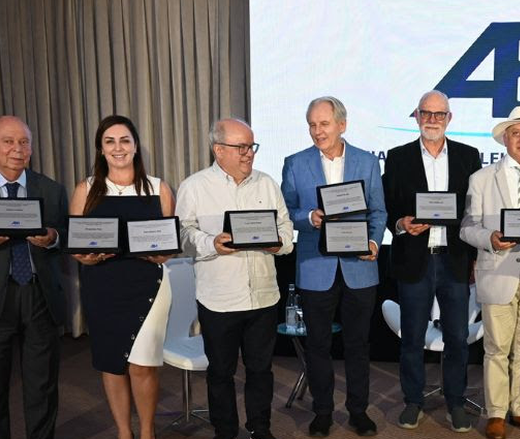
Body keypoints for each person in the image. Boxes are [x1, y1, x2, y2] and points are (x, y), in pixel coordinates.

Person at [176, 118, 294, 439]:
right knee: (220, 373)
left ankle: (260, 428)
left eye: (251, 146)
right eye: (241, 147)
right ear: (219, 150)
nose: (249, 153)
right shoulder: (194, 186)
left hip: (263, 296)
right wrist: (211, 243)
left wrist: (279, 243)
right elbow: (183, 235)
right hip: (219, 299)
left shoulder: (267, 183)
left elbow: (285, 228)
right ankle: (225, 431)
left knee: (261, 370)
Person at [281, 96, 387, 437]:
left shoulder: (367, 162)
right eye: (312, 125)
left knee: (358, 345)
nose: (317, 131)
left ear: (342, 124)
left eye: (324, 124)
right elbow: (286, 212)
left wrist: (373, 243)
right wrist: (309, 217)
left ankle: (358, 411)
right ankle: (322, 412)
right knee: (318, 346)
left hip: (360, 268)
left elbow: (378, 211)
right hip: (315, 267)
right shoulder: (295, 163)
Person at [69, 115, 176, 439]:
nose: (118, 148)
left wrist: (164, 254)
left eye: (125, 140)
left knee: (143, 364)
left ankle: (147, 432)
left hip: (149, 286)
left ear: (136, 146)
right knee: (112, 362)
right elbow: (76, 244)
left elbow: (168, 241)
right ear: (101, 149)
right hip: (102, 286)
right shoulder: (86, 189)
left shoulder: (159, 187)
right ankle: (123, 432)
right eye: (110, 141)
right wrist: (83, 257)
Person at [382, 91, 481, 432]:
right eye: (426, 113)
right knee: (411, 338)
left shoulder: (469, 156)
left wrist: (475, 256)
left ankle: (456, 402)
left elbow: (474, 210)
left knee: (457, 338)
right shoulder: (398, 157)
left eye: (439, 114)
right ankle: (413, 400)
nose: (433, 120)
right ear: (417, 116)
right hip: (414, 260)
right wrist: (400, 224)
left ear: (449, 118)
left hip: (454, 260)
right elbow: (387, 206)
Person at [460, 105, 520, 439]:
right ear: (505, 139)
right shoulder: (482, 178)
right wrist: (489, 238)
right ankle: (496, 413)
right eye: (515, 133)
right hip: (497, 273)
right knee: (497, 349)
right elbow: (467, 227)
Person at [0, 116, 67, 439]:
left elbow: (69, 235)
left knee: (42, 383)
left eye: (24, 142)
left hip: (40, 295)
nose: (17, 149)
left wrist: (53, 237)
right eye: (8, 141)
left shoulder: (51, 189)